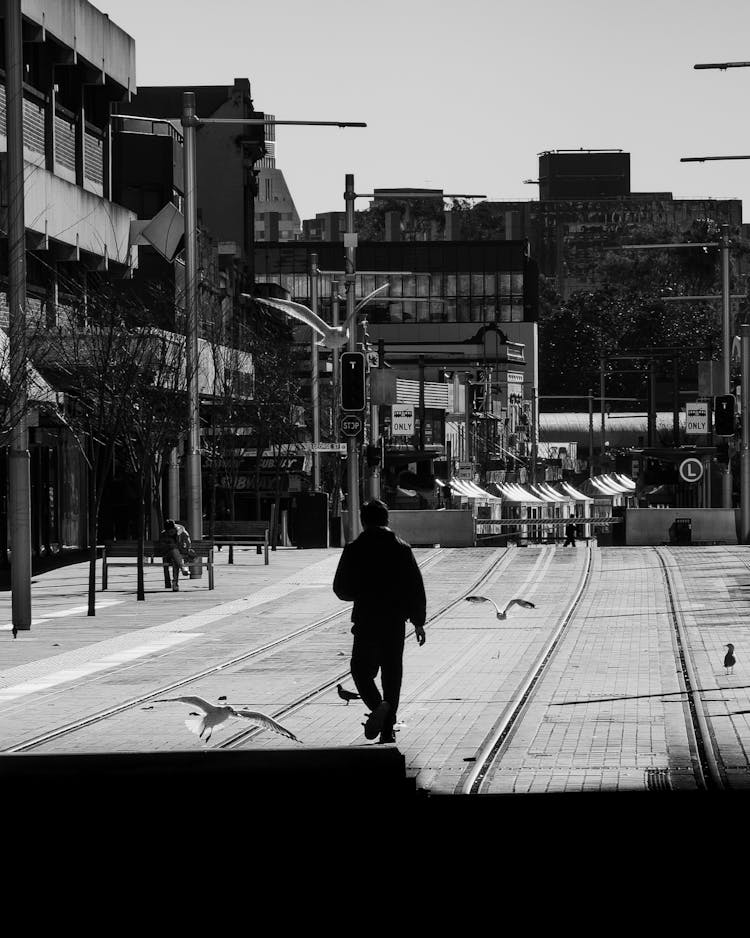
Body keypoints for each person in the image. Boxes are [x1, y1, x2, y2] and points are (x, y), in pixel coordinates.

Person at [333, 499, 427, 745]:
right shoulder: (402, 548)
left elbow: (340, 588)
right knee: (392, 673)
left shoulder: (355, 548)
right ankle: (387, 728)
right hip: (395, 622)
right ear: (387, 520)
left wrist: (362, 594)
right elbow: (416, 587)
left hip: (366, 619)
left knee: (361, 671)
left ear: (363, 521)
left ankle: (380, 709)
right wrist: (418, 621)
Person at [159, 518, 193, 591]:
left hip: (182, 555)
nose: (171, 533)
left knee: (175, 561)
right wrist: (171, 546)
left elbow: (188, 545)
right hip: (168, 555)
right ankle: (182, 567)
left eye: (172, 530)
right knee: (174, 550)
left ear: (175, 528)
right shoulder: (164, 535)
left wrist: (181, 549)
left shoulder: (182, 532)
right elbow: (162, 548)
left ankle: (175, 584)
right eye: (169, 531)